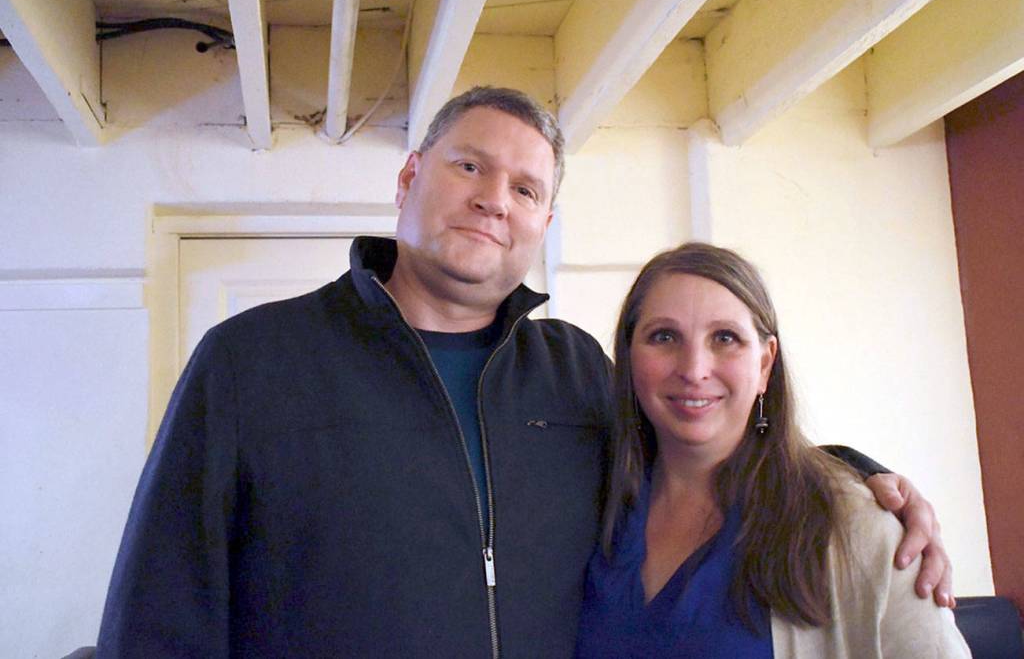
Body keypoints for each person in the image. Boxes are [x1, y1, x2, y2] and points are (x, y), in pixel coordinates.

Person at [97, 87, 952, 657]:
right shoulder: (251, 362)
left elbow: (700, 441)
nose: (493, 199)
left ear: (543, 221)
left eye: (526, 189)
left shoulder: (574, 370)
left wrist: (861, 479)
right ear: (410, 176)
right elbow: (158, 616)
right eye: (470, 166)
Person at [574, 243, 969, 658]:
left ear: (765, 364)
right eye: (664, 336)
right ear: (629, 357)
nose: (693, 369)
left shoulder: (859, 527)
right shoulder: (593, 502)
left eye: (725, 338)